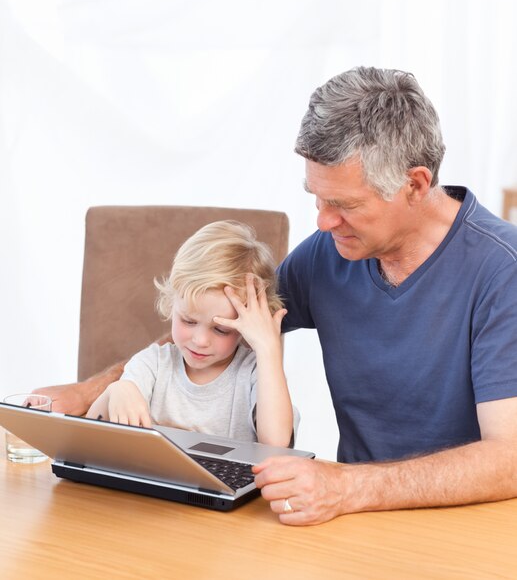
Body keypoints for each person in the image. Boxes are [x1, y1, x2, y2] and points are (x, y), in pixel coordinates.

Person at [35, 67, 517, 526]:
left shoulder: (502, 272)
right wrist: (89, 392)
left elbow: (508, 460)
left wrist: (347, 488)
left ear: (414, 184)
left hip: (472, 526)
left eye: (345, 205)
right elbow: (223, 321)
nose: (322, 222)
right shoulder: (330, 253)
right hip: (356, 522)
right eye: (316, 198)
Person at [86, 220, 293, 447]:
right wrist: (116, 391)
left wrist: (268, 348)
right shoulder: (154, 364)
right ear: (172, 304)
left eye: (221, 329)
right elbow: (88, 436)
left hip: (222, 483)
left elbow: (276, 444)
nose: (200, 340)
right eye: (189, 320)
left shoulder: (256, 373)